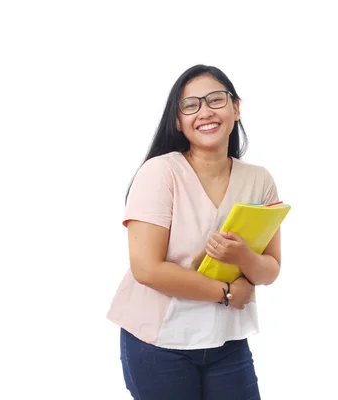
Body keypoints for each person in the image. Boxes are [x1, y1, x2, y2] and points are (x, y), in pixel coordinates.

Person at [106, 64, 282, 400]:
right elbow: (147, 269)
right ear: (178, 120)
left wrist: (243, 256)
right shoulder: (160, 173)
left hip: (226, 341)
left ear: (236, 107)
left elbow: (270, 269)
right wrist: (228, 293)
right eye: (191, 105)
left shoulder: (259, 179)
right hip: (159, 343)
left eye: (215, 99)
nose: (205, 111)